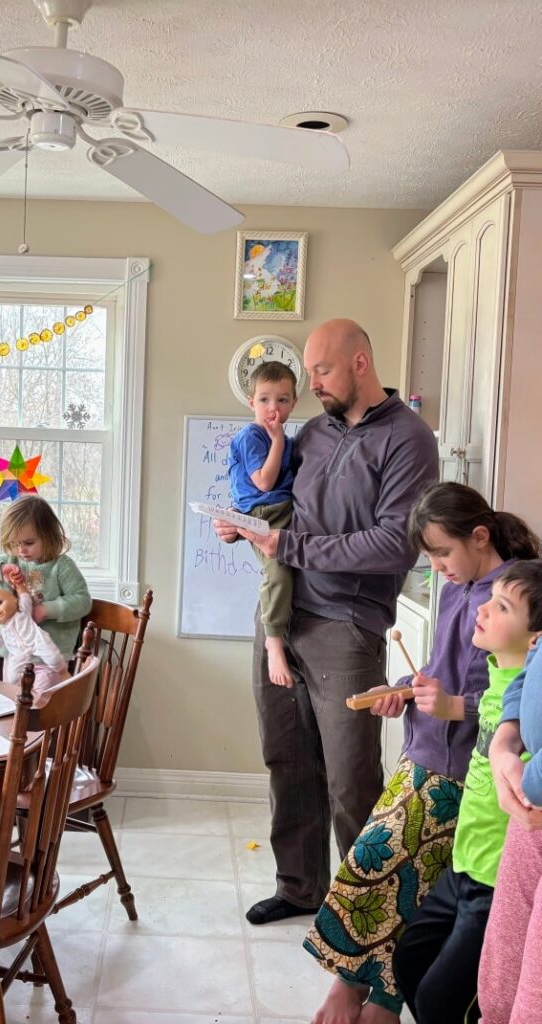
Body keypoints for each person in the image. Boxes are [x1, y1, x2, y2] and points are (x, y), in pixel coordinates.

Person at [214, 318, 438, 926]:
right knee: (286, 760)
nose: (311, 384)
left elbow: (395, 543)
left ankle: (363, 912)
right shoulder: (312, 432)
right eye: (308, 372)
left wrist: (287, 546)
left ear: (361, 363)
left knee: (350, 778)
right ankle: (300, 888)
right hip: (283, 616)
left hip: (347, 624)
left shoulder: (409, 439)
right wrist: (245, 527)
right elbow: (280, 507)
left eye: (322, 371)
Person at [303, 483, 541, 1024]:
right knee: (400, 879)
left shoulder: (515, 597)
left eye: (441, 552)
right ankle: (369, 995)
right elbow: (441, 670)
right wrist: (404, 691)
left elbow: (516, 694)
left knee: (382, 868)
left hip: (459, 769)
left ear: (479, 537)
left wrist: (454, 706)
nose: (435, 567)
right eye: (428, 556)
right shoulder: (460, 588)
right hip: (424, 748)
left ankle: (369, 996)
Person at [392, 560, 542, 1023]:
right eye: (489, 599)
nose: (484, 610)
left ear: (535, 639)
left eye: (502, 607)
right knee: (409, 960)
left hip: (496, 878)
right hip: (465, 861)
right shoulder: (502, 678)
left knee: (447, 1000)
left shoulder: (528, 699)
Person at [478, 568, 542, 1023]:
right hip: (529, 820)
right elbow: (530, 667)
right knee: (498, 986)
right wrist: (503, 744)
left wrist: (529, 779)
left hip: (532, 802)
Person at [228, 360, 299, 686]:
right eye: (265, 399)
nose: (274, 408)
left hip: (286, 508)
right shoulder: (253, 436)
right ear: (251, 402)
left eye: (282, 400)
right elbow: (264, 482)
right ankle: (273, 641)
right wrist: (278, 441)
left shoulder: (288, 440)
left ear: (294, 403)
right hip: (262, 513)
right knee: (278, 571)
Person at [0, 495, 91, 664]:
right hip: (13, 653)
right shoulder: (9, 562)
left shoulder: (62, 566)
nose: (21, 550)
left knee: (43, 683)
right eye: (15, 544)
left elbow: (82, 601)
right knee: (11, 683)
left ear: (49, 536)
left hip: (50, 657)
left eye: (29, 543)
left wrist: (46, 610)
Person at [0, 583, 70, 690]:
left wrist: (19, 585)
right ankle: (16, 692)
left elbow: (25, 598)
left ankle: (63, 673)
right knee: (11, 677)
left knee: (53, 658)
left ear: (14, 600)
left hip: (37, 642)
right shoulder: (3, 632)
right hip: (18, 653)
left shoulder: (24, 613)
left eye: (0, 602)